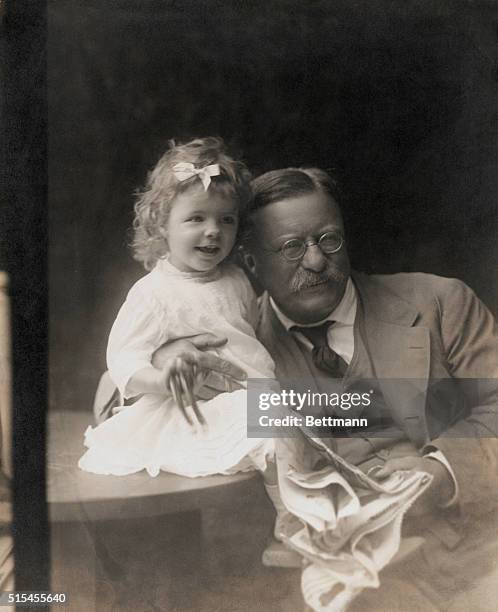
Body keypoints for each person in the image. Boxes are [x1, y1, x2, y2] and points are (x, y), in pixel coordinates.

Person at [154, 167, 498, 608]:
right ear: (251, 262)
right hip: (325, 581)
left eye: (328, 240)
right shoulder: (234, 351)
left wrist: (442, 471)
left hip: (472, 558)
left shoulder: (440, 304)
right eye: (292, 248)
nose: (316, 261)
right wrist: (162, 363)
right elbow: (132, 412)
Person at [78, 138, 291, 538]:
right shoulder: (154, 293)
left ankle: (304, 513)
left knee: (294, 431)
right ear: (162, 223)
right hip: (198, 406)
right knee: (275, 437)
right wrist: (162, 379)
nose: (213, 232)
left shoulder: (235, 278)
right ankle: (293, 521)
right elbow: (123, 358)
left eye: (226, 220)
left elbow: (248, 336)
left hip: (249, 393)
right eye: (196, 218)